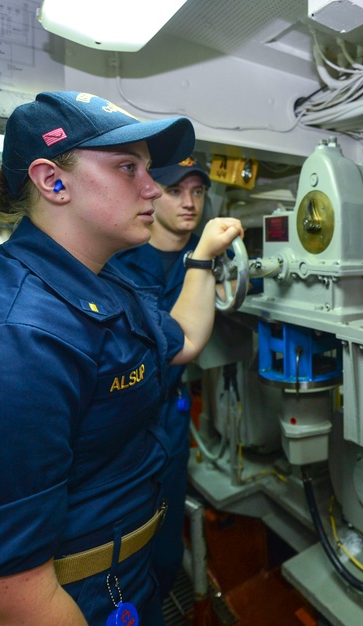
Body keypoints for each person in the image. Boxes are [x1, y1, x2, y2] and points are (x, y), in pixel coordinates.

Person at [0, 91, 244, 625]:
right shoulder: (6, 341)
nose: (153, 187)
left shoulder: (103, 282)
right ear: (53, 181)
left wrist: (200, 260)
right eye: (129, 167)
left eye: (149, 168)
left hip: (119, 579)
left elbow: (182, 341)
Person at [107, 157, 213, 596]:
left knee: (165, 537)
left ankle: (162, 596)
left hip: (170, 417)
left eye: (198, 192)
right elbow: (169, 344)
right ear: (153, 192)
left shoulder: (210, 258)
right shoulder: (117, 262)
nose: (189, 203)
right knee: (117, 539)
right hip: (120, 424)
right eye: (175, 191)